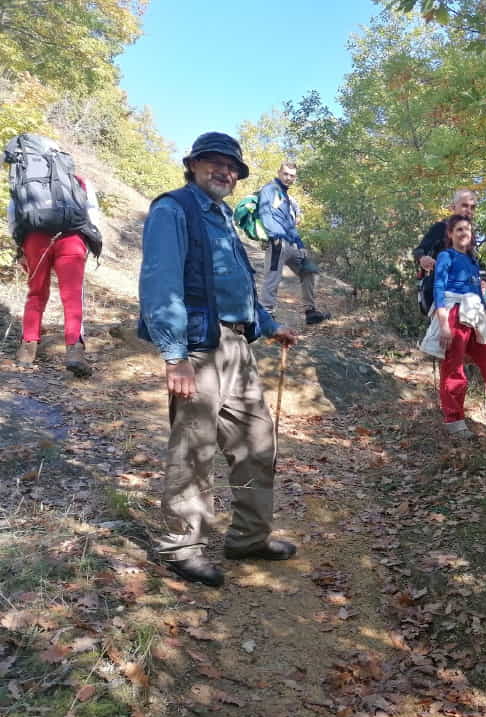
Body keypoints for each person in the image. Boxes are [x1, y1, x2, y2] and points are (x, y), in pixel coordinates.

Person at [138, 132, 299, 587]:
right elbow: (161, 282)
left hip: (237, 345)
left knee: (256, 441)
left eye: (232, 167)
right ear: (193, 164)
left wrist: (268, 326)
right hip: (197, 347)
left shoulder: (224, 216)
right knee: (194, 447)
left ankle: (249, 537)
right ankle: (181, 547)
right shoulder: (173, 209)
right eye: (215, 163)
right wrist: (175, 356)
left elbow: (237, 285)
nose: (225, 172)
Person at [7, 134, 103, 376]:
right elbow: (91, 212)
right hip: (71, 238)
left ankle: (27, 349)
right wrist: (89, 241)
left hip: (35, 239)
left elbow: (14, 215)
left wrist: (21, 247)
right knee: (72, 296)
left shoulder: (25, 179)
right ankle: (74, 350)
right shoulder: (78, 180)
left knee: (36, 292)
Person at [430, 214, 486, 437]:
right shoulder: (445, 256)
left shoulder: (472, 261)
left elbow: (479, 295)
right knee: (454, 368)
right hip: (454, 315)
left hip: (475, 316)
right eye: (458, 229)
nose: (463, 233)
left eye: (467, 230)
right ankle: (454, 420)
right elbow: (439, 290)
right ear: (450, 234)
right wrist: (444, 325)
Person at [257, 163, 330, 325]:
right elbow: (264, 214)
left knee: (309, 270)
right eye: (286, 174)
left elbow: (290, 224)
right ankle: (266, 316)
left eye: (292, 176)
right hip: (277, 243)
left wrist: (300, 244)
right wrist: (273, 236)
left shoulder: (286, 196)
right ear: (279, 172)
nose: (289, 178)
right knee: (272, 278)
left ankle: (310, 312)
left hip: (291, 244)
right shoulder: (269, 189)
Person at [413, 189, 477, 316]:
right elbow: (419, 250)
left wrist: (484, 278)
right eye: (464, 205)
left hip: (468, 299)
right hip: (444, 297)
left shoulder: (470, 235)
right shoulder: (441, 227)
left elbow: (475, 262)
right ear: (453, 207)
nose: (469, 210)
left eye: (472, 207)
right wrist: (423, 258)